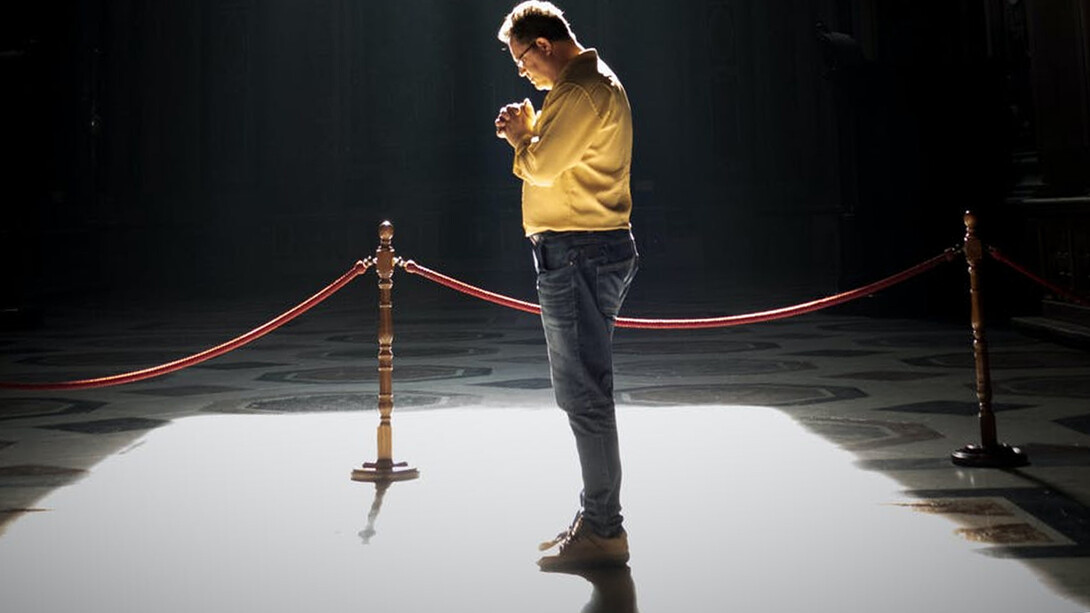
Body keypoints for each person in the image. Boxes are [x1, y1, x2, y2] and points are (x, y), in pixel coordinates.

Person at [494, 1, 638, 571]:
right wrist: (533, 131)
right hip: (586, 248)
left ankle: (604, 529)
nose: (523, 71)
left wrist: (519, 136)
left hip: (580, 250)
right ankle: (596, 518)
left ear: (544, 45)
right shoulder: (582, 86)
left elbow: (545, 166)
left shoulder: (579, 92)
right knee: (585, 391)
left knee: (584, 396)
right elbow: (557, 158)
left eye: (522, 60)